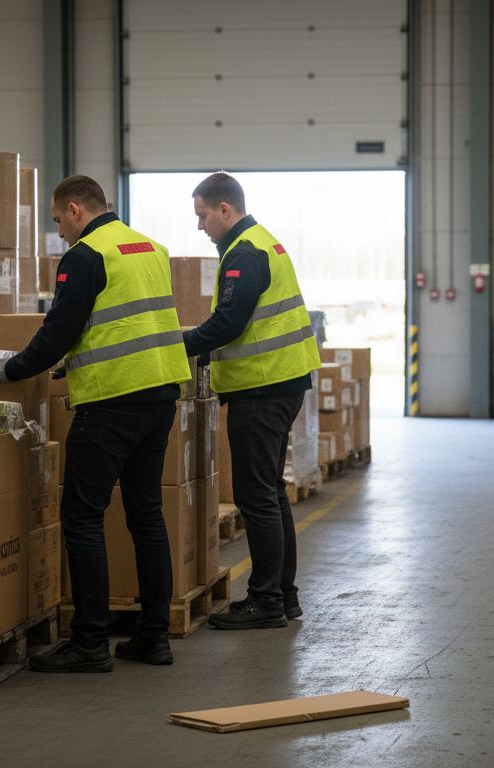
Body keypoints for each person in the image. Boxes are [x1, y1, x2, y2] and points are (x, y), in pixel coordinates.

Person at [0, 175, 190, 671]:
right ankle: (154, 638)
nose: (61, 233)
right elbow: (126, 323)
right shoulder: (149, 248)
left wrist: (12, 369)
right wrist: (75, 361)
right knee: (146, 514)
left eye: (58, 221)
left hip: (112, 401)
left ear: (75, 210)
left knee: (82, 515)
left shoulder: (86, 254)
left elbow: (59, 329)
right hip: (160, 395)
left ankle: (89, 642)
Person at [182, 172, 321, 630]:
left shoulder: (245, 252)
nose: (200, 226)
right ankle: (283, 595)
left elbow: (228, 324)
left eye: (203, 215)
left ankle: (264, 601)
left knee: (257, 496)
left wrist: (176, 346)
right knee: (271, 493)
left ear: (225, 209)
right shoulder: (264, 242)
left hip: (262, 389)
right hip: (280, 383)